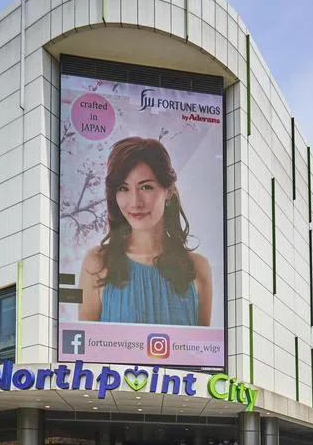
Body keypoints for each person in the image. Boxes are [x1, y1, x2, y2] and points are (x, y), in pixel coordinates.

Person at [79, 137, 213, 326]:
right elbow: (85, 350)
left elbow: (202, 353)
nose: (135, 202)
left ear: (168, 190)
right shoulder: (97, 264)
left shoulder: (198, 268)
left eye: (146, 187)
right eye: (123, 188)